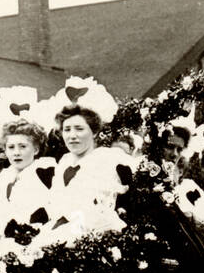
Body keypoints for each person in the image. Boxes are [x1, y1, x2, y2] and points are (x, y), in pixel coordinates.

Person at [32, 103, 134, 248]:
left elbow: (142, 170)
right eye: (67, 130)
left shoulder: (108, 157)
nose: (72, 136)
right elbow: (57, 201)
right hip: (60, 229)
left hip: (94, 230)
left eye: (79, 129)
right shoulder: (65, 161)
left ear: (93, 132)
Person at [0, 119, 56, 253]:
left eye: (23, 146)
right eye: (11, 147)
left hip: (37, 244)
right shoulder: (5, 177)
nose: (16, 152)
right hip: (2, 242)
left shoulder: (46, 173)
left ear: (36, 149)